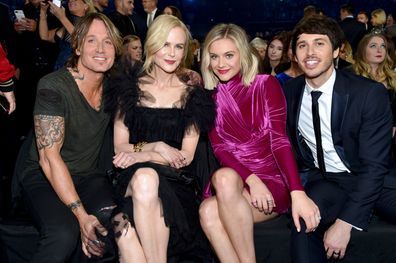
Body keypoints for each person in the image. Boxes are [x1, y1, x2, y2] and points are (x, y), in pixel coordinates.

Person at [199, 23, 320, 263]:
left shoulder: (266, 84)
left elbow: (279, 140)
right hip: (236, 181)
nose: (221, 64)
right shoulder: (208, 97)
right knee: (212, 200)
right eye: (214, 56)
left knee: (212, 203)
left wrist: (297, 191)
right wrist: (251, 180)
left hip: (272, 180)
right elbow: (220, 149)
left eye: (229, 55)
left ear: (243, 54)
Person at [283, 15, 396, 262]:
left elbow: (374, 166)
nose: (309, 52)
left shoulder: (368, 93)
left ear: (337, 51)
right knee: (303, 221)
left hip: (373, 180)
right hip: (327, 182)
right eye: (302, 45)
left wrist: (346, 222)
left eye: (319, 43)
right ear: (294, 54)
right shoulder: (288, 92)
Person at [105, 14, 214, 262]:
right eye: (165, 44)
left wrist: (146, 155)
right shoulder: (127, 87)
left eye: (178, 46)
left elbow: (184, 157)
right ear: (151, 44)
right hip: (131, 180)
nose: (172, 53)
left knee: (126, 235)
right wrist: (157, 146)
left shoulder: (192, 95)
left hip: (175, 182)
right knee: (144, 178)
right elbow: (119, 146)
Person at [15, 13, 122, 262]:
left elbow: (151, 81)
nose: (101, 49)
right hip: (43, 176)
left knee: (111, 223)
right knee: (64, 233)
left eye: (108, 42)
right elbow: (49, 159)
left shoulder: (114, 86)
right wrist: (81, 214)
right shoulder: (53, 86)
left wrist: (187, 77)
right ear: (76, 46)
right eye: (91, 40)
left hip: (88, 175)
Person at [352, 32, 396, 133]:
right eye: (373, 46)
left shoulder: (392, 77)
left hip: (388, 135)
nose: (379, 50)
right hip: (359, 134)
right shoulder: (350, 75)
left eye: (383, 46)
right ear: (363, 50)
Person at [39, 0, 96, 70]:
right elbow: (45, 36)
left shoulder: (91, 24)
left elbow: (82, 40)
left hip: (75, 73)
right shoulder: (66, 25)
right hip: (59, 72)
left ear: (86, 5)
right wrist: (43, 11)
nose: (70, 1)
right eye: (69, 0)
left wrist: (62, 17)